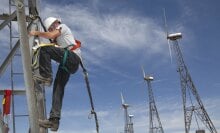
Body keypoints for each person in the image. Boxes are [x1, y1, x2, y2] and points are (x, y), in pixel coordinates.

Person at [29, 17, 81, 131]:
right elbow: (51, 42)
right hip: (67, 64)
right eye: (50, 28)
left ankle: (46, 76)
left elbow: (51, 36)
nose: (51, 29)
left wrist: (36, 32)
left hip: (72, 58)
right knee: (58, 88)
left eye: (52, 27)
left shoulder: (62, 27)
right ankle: (54, 121)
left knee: (44, 49)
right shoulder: (59, 40)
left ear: (56, 23)